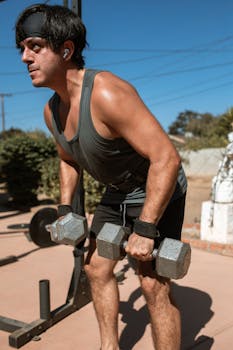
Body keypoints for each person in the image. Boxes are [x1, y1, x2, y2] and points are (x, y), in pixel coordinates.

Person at [15, 4, 187, 350]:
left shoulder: (107, 92)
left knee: (153, 284)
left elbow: (166, 158)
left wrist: (146, 228)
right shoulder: (52, 110)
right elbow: (68, 160)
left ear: (66, 50)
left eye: (34, 46)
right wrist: (65, 210)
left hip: (155, 187)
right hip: (117, 192)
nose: (24, 57)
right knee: (96, 268)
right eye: (21, 48)